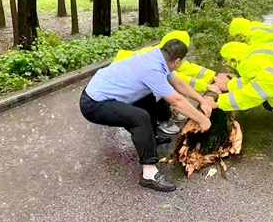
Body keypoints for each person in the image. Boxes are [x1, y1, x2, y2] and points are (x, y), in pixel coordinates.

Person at [80, 39, 214, 192]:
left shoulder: (158, 57)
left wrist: (202, 100)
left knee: (148, 94)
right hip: (94, 103)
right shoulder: (152, 68)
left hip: (107, 93)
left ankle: (151, 137)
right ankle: (149, 174)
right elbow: (176, 101)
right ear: (178, 61)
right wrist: (202, 119)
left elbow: (178, 83)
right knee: (140, 118)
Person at [112, 30, 220, 135]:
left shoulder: (165, 53)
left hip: (127, 80)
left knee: (164, 89)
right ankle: (163, 118)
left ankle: (159, 119)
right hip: (120, 90)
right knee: (162, 92)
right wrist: (206, 86)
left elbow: (188, 69)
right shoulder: (156, 63)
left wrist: (213, 76)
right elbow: (179, 81)